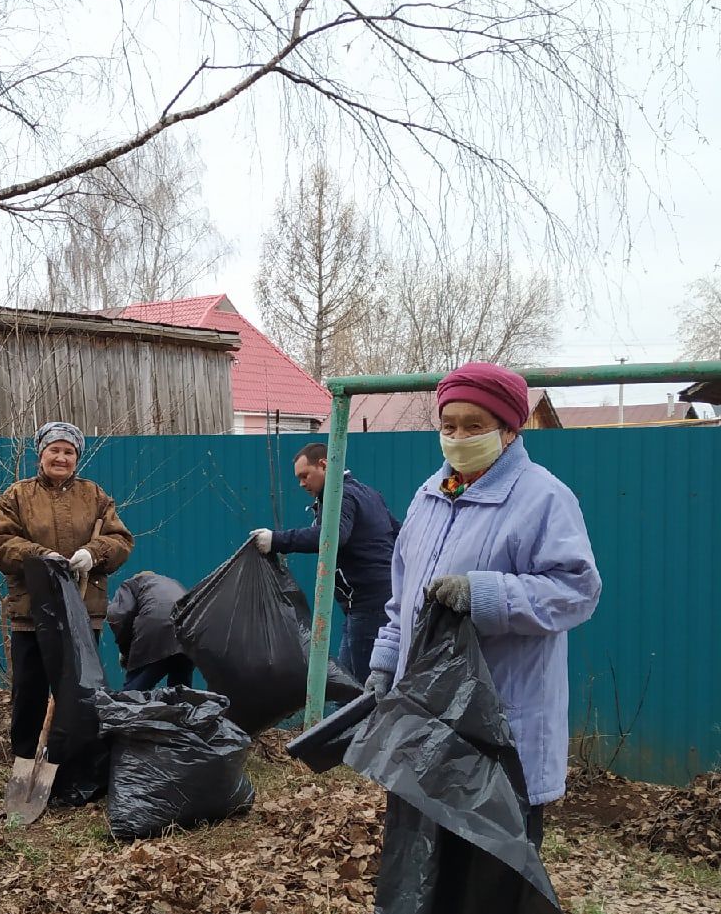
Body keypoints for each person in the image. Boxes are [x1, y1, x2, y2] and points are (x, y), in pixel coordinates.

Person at [366, 361, 601, 845]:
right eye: (448, 425)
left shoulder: (543, 498)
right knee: (430, 879)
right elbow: (402, 593)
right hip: (427, 719)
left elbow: (577, 592)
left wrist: (485, 594)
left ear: (509, 431)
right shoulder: (430, 496)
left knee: (493, 886)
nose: (458, 437)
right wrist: (385, 663)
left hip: (501, 724)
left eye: (475, 426)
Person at [0, 421, 133, 803]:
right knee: (29, 691)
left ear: (77, 458)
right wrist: (39, 556)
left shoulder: (95, 496)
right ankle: (25, 760)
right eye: (55, 450)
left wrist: (93, 553)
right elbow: (0, 543)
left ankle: (69, 770)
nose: (61, 457)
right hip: (31, 612)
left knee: (77, 694)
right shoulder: (16, 496)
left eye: (69, 452)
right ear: (41, 454)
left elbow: (120, 540)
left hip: (83, 611)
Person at [250, 443, 399, 684]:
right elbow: (397, 532)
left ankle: (369, 723)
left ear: (324, 465)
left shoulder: (341, 495)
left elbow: (332, 536)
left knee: (361, 690)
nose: (301, 484)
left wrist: (275, 540)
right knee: (347, 687)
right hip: (372, 601)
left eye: (304, 475)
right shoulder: (367, 493)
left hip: (368, 605)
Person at [106, 571, 194, 692]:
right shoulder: (173, 583)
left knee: (133, 694)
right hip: (187, 633)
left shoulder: (132, 584)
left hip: (156, 631)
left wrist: (126, 651)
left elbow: (119, 616)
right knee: (181, 694)